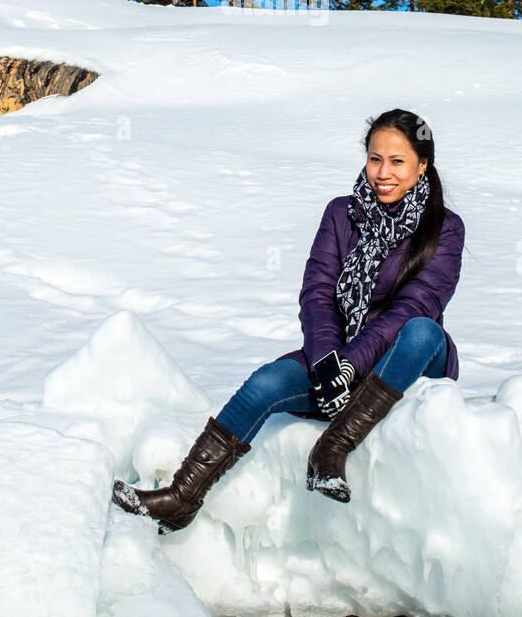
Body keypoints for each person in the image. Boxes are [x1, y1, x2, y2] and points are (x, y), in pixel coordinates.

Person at [113, 107, 465, 532]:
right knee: (266, 382)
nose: (383, 172)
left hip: (405, 364)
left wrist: (350, 361)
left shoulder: (444, 227)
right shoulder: (341, 213)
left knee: (422, 331)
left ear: (422, 165)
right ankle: (181, 498)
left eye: (397, 161)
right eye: (375, 159)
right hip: (338, 360)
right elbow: (317, 292)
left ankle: (330, 450)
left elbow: (416, 305)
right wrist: (325, 360)